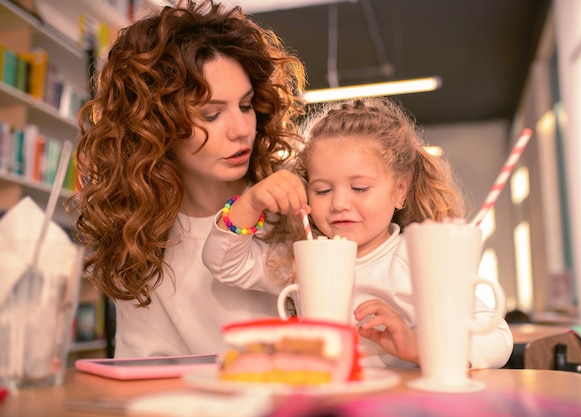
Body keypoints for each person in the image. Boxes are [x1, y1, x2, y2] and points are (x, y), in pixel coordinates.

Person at [68, 0, 307, 357]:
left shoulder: (293, 205)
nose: (242, 130)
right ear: (156, 128)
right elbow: (144, 372)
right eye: (211, 115)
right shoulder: (139, 237)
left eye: (245, 105)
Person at [202, 97, 513, 368]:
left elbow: (497, 338)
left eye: (360, 188)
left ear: (400, 191)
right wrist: (251, 202)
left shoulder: (415, 260)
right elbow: (224, 264)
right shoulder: (305, 257)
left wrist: (418, 347)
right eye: (322, 190)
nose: (338, 203)